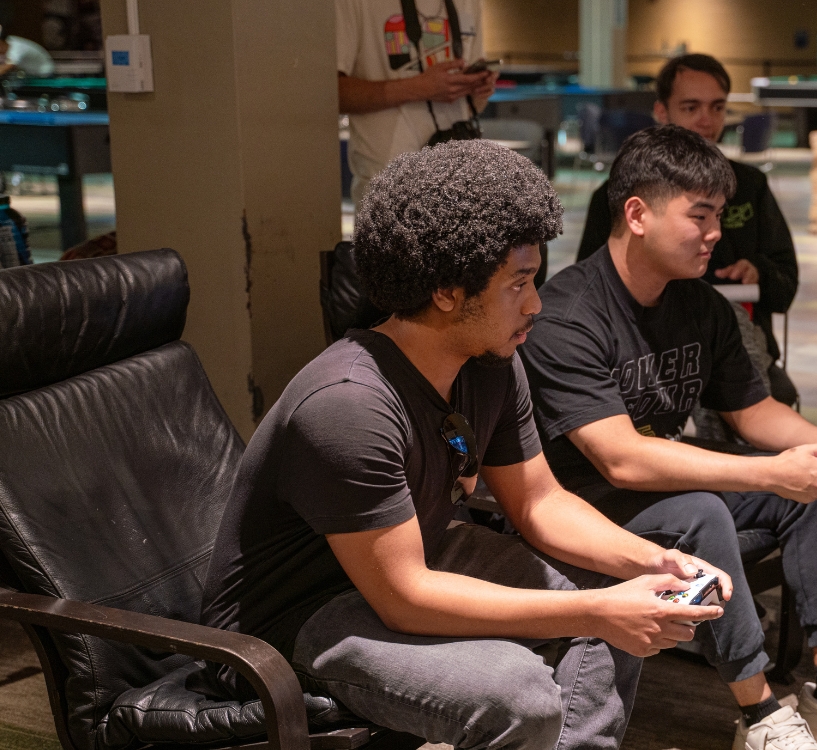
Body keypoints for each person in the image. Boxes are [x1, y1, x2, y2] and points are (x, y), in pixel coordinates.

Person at [200, 140, 731, 749]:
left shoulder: (489, 360)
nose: (536, 303)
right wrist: (598, 610)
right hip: (295, 616)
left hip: (416, 558)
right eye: (519, 283)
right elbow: (404, 598)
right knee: (520, 694)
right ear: (448, 291)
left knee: (607, 606)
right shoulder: (348, 403)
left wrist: (652, 561)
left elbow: (537, 501)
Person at [526, 125, 817, 750]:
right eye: (699, 216)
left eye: (719, 215)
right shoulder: (567, 314)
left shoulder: (701, 304)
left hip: (652, 475)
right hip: (575, 500)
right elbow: (619, 461)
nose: (716, 232)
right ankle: (762, 717)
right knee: (707, 508)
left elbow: (754, 413)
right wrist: (771, 471)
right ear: (637, 214)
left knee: (810, 484)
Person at [577, 54, 799, 406]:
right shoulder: (614, 196)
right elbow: (590, 287)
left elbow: (786, 282)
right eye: (691, 107)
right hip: (643, 347)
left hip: (732, 345)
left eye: (717, 107)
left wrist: (758, 271)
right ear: (662, 112)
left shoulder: (751, 185)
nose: (706, 121)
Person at [336, 0, 497, 207]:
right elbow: (332, 95)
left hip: (458, 182)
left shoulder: (470, 3)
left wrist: (480, 87)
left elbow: (474, 105)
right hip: (388, 186)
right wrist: (419, 88)